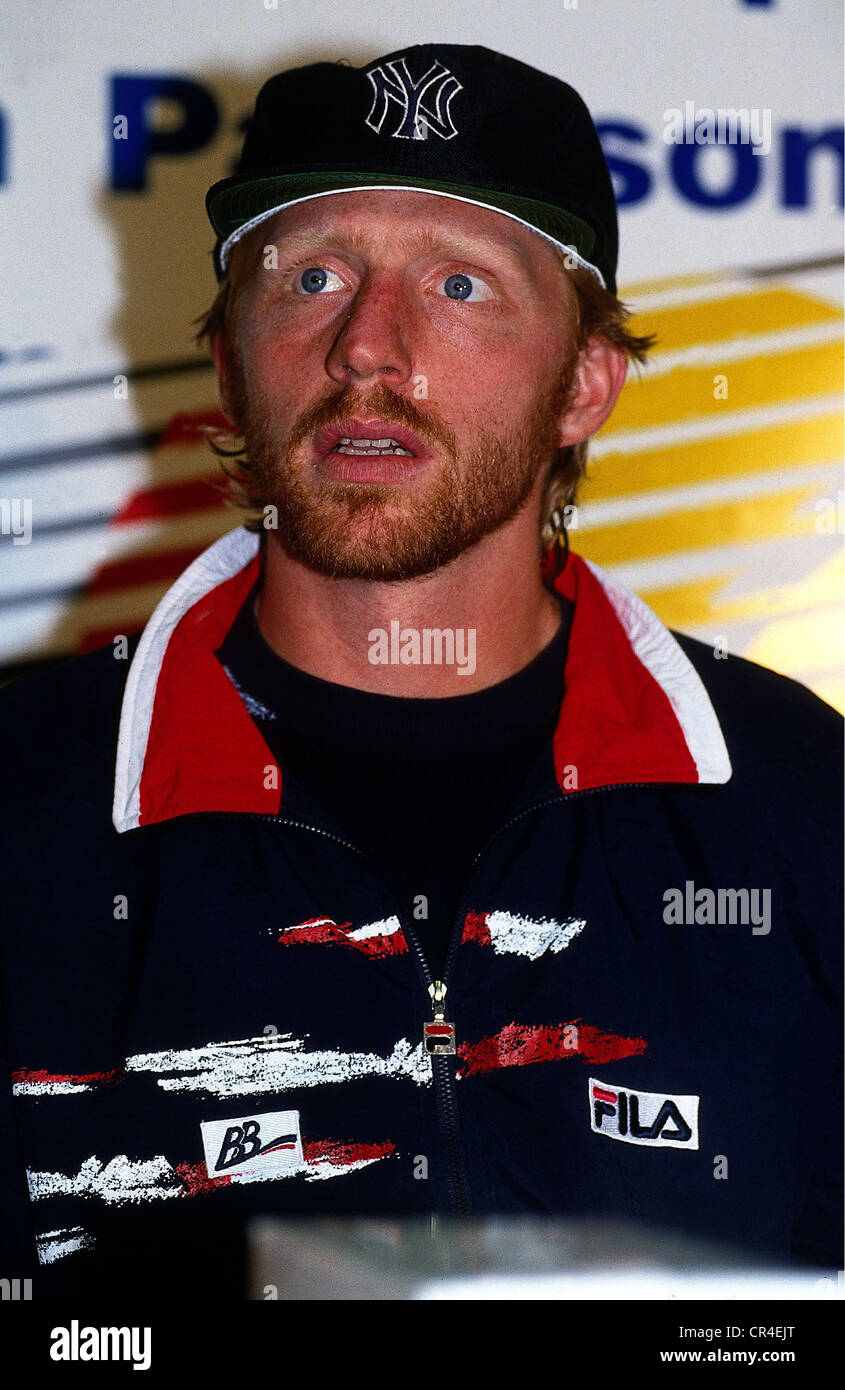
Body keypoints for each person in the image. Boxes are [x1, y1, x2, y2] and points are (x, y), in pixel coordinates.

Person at [0, 44, 841, 1300]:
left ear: (584, 385)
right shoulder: (24, 802)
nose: (366, 349)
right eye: (314, 276)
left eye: (459, 284)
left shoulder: (798, 802)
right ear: (229, 362)